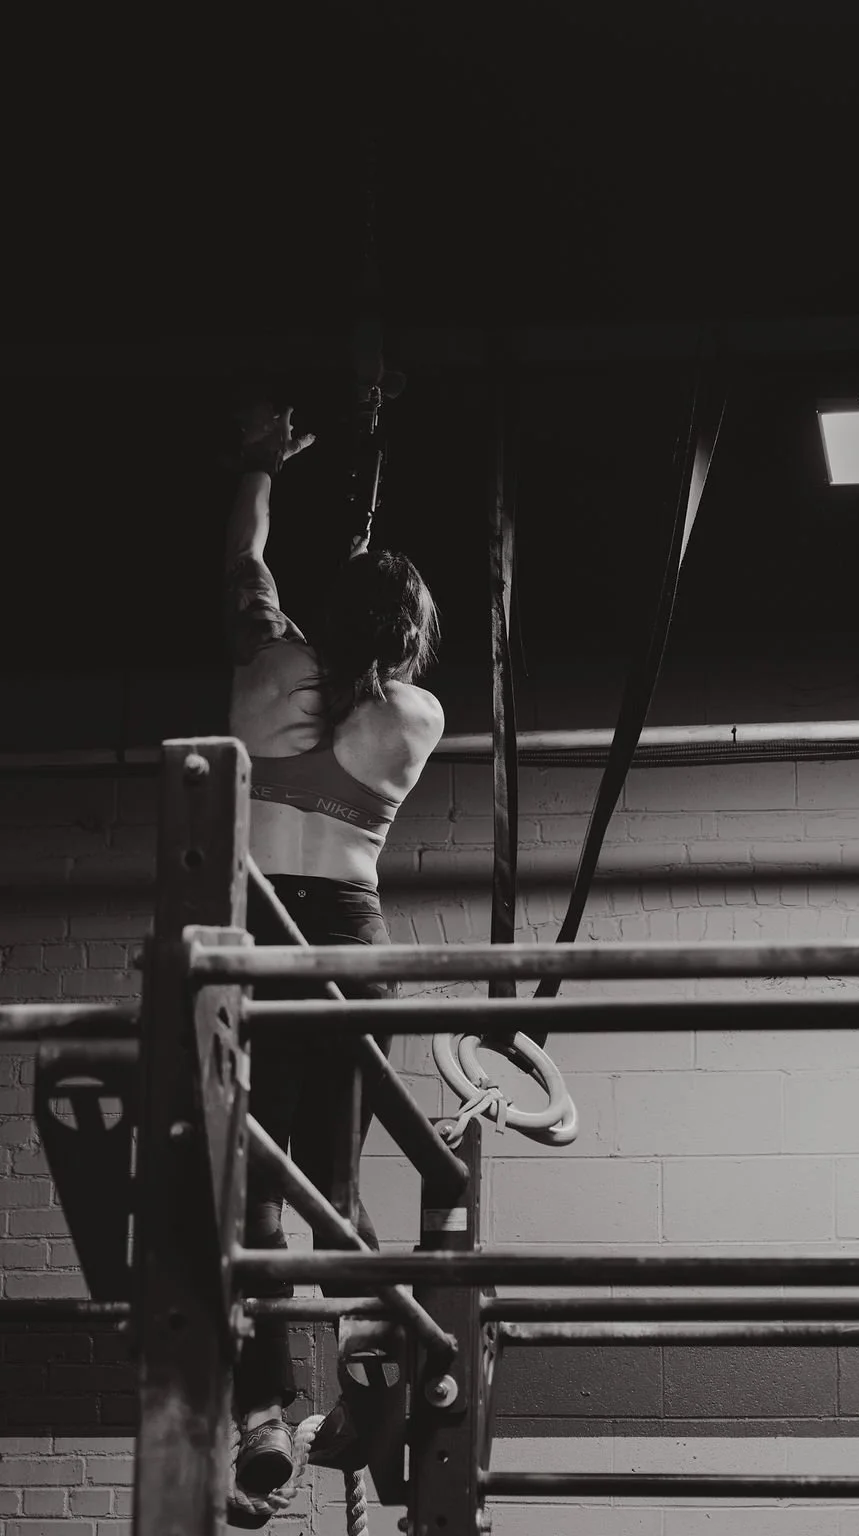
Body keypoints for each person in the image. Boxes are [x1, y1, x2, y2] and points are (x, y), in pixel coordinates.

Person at [223, 404, 444, 1501]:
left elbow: (245, 565)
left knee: (261, 1193)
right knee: (336, 1188)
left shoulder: (266, 669)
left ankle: (262, 1413)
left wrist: (260, 468)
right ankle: (363, 1402)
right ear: (405, 634)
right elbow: (364, 659)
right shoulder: (418, 716)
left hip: (263, 936)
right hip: (350, 942)